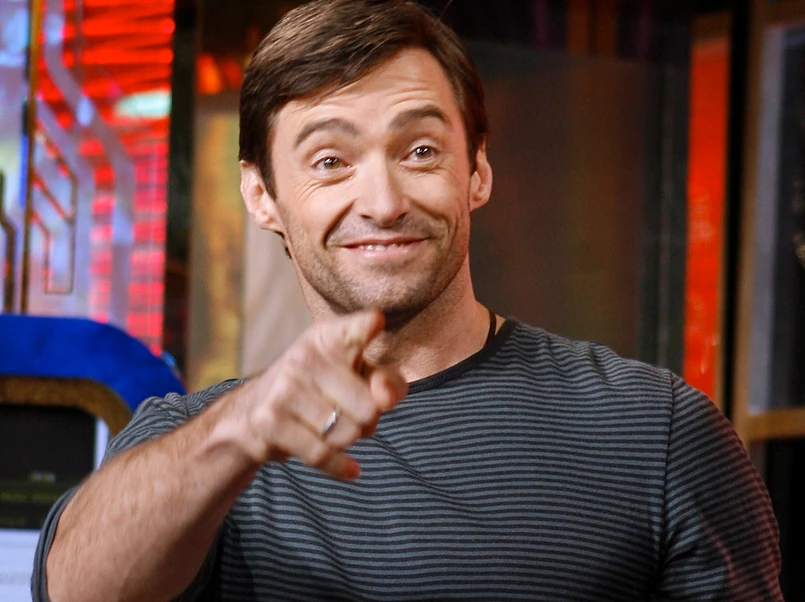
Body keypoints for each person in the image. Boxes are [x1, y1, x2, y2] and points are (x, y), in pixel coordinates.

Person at [33, 1, 782, 600]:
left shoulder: (655, 430)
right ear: (261, 195)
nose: (384, 201)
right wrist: (239, 431)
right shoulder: (194, 443)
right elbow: (73, 591)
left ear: (476, 171)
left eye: (420, 151)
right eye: (330, 160)